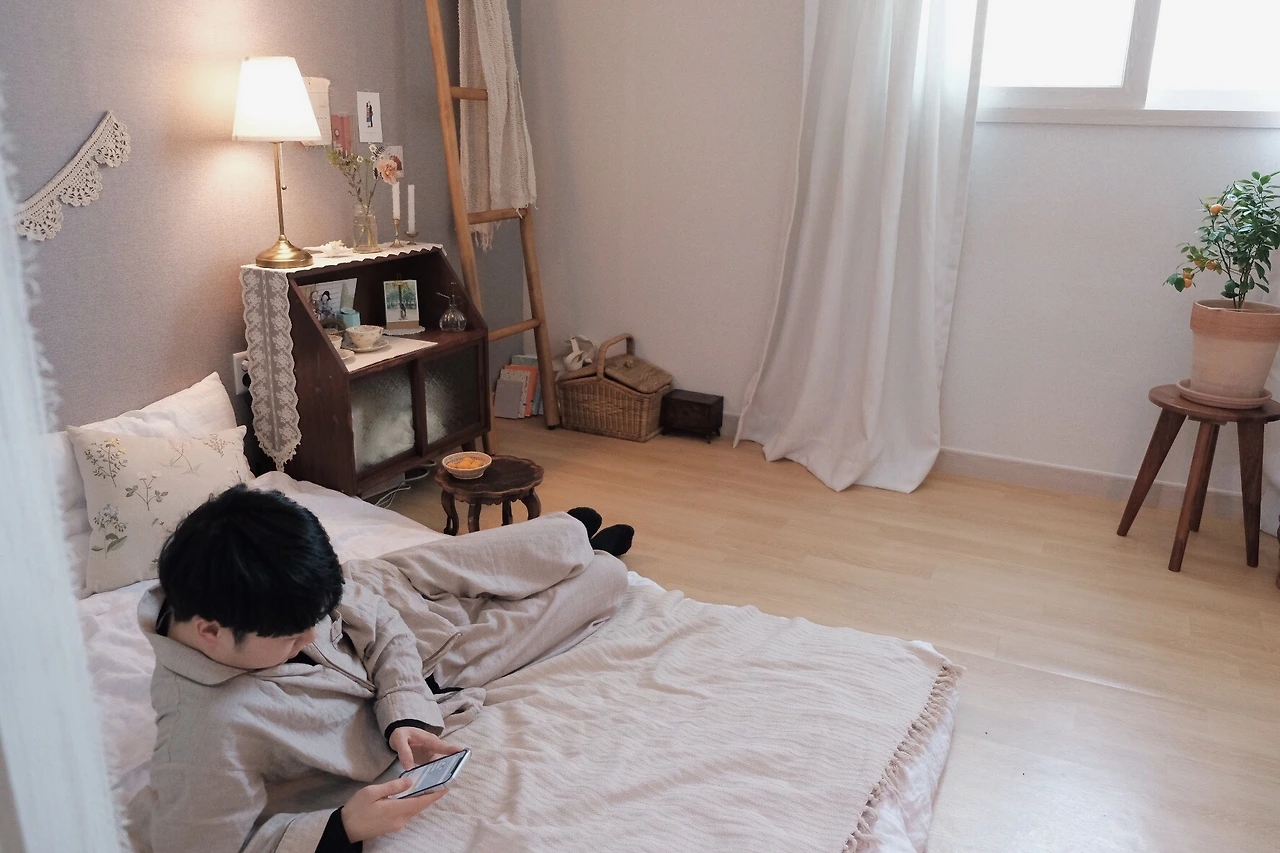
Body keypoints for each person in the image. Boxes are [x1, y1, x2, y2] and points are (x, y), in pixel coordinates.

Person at [129, 485, 629, 853]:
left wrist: (400, 708)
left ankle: (573, 536)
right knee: (606, 576)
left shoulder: (257, 591)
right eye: (294, 638)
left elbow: (369, 616)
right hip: (438, 666)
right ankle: (592, 551)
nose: (310, 637)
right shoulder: (205, 735)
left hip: (380, 588)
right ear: (210, 632)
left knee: (554, 539)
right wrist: (343, 826)